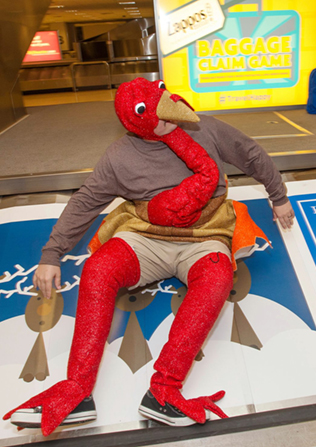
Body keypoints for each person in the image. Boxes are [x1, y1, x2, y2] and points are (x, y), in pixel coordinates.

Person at [3, 78, 295, 435]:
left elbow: (249, 153)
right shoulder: (118, 156)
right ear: (134, 121)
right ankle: (76, 392)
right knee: (99, 268)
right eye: (154, 112)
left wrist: (278, 196)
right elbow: (86, 201)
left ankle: (164, 391)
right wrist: (52, 254)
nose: (168, 113)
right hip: (146, 236)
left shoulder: (203, 128)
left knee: (217, 275)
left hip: (205, 234)